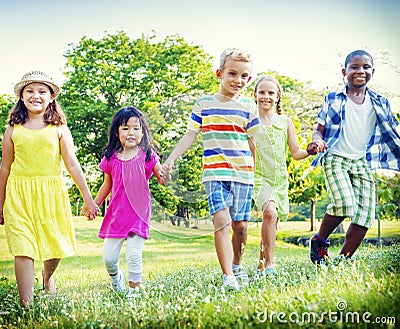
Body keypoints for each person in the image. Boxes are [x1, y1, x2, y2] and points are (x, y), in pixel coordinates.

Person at [161, 48, 263, 291]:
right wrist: (171, 159)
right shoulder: (204, 104)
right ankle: (228, 275)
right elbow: (190, 135)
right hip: (215, 173)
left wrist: (258, 170)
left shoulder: (249, 106)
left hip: (243, 173)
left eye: (244, 76)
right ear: (219, 73)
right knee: (222, 221)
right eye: (232, 74)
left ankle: (237, 264)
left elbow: (254, 142)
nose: (238, 80)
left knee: (240, 226)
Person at [0, 70, 99, 307]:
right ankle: (27, 305)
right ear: (21, 97)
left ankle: (48, 277)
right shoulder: (13, 129)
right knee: (23, 246)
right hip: (19, 193)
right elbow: (4, 167)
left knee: (54, 244)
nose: (36, 95)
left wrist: (88, 198)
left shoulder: (59, 128)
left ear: (51, 96)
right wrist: (0, 202)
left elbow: (73, 164)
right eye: (30, 91)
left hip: (51, 192)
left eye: (42, 91)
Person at [307, 50, 400, 265]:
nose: (360, 71)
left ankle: (342, 262)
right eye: (354, 67)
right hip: (336, 157)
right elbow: (319, 129)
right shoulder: (333, 99)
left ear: (372, 72)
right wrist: (317, 140)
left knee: (366, 214)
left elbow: (394, 130)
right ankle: (319, 241)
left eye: (366, 67)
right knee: (344, 203)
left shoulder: (380, 101)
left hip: (361, 161)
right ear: (344, 72)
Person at [93, 106, 168, 297]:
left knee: (134, 254)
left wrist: (166, 173)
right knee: (109, 258)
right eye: (125, 128)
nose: (131, 132)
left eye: (136, 128)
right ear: (117, 133)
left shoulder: (148, 155)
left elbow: (162, 178)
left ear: (143, 133)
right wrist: (94, 204)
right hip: (117, 214)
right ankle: (117, 278)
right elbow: (106, 185)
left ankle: (135, 291)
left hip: (139, 214)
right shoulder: (110, 157)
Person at [253, 75, 311, 276]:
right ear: (255, 95)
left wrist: (310, 151)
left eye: (271, 93)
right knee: (269, 213)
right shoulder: (250, 123)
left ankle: (261, 264)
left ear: (278, 97)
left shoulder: (286, 122)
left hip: (279, 180)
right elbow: (248, 155)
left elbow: (295, 153)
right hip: (258, 178)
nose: (266, 96)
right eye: (262, 92)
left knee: (271, 222)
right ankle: (270, 264)